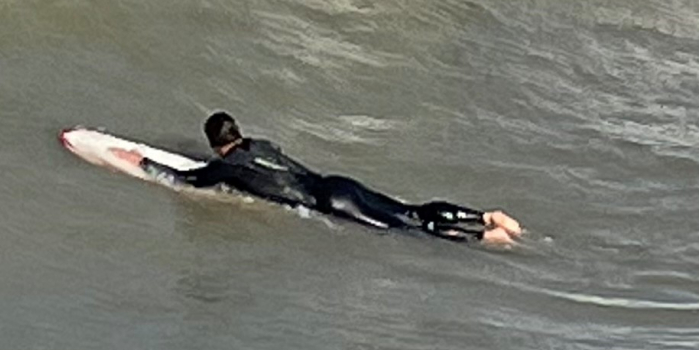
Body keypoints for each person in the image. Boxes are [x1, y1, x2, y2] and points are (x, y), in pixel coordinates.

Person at [109, 112, 524, 245]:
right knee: (410, 210)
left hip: (329, 204)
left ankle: (482, 238)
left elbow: (188, 180)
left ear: (216, 145)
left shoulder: (226, 166)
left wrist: (141, 162)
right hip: (338, 184)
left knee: (404, 230)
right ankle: (485, 216)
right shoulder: (262, 145)